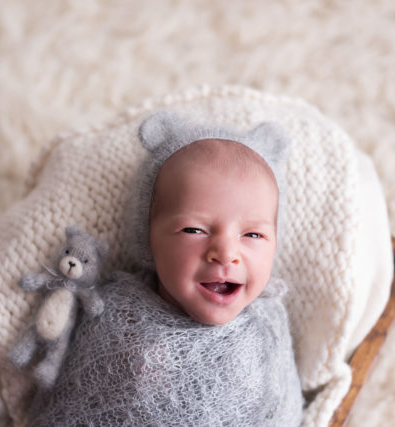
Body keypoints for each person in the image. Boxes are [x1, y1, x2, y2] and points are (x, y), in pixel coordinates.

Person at [27, 112, 304, 426]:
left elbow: (283, 412)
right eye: (194, 230)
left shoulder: (268, 328)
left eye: (253, 235)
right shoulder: (115, 315)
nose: (227, 254)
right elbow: (72, 407)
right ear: (148, 238)